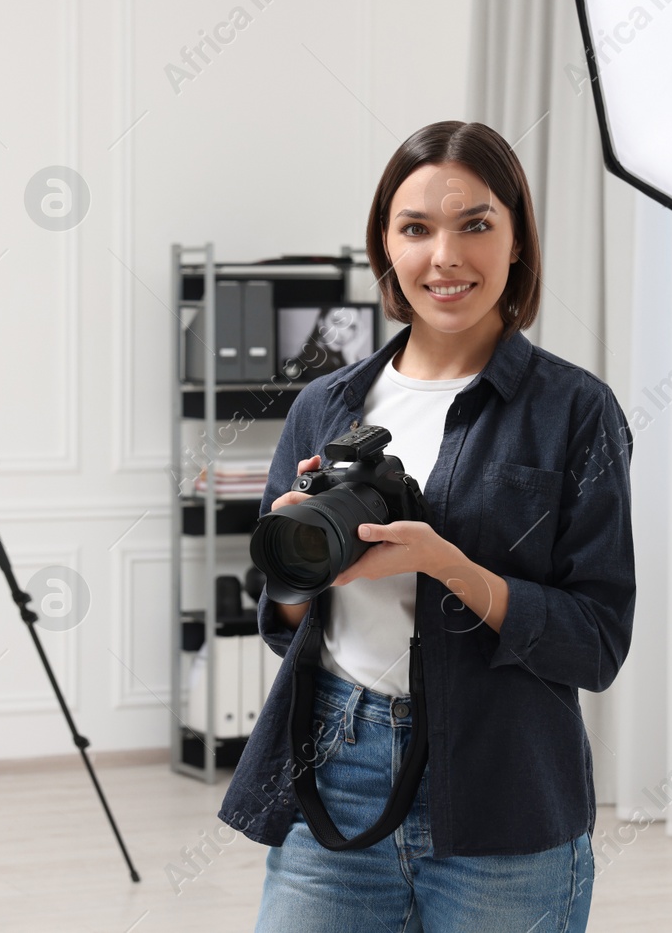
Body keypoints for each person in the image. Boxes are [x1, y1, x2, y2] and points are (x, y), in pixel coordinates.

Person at [216, 120, 637, 932]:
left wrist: (450, 566)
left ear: (517, 242)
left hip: (504, 786)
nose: (444, 256)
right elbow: (284, 627)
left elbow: (596, 641)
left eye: (476, 224)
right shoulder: (324, 406)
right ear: (385, 247)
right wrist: (304, 566)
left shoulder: (576, 412)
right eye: (416, 228)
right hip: (333, 769)